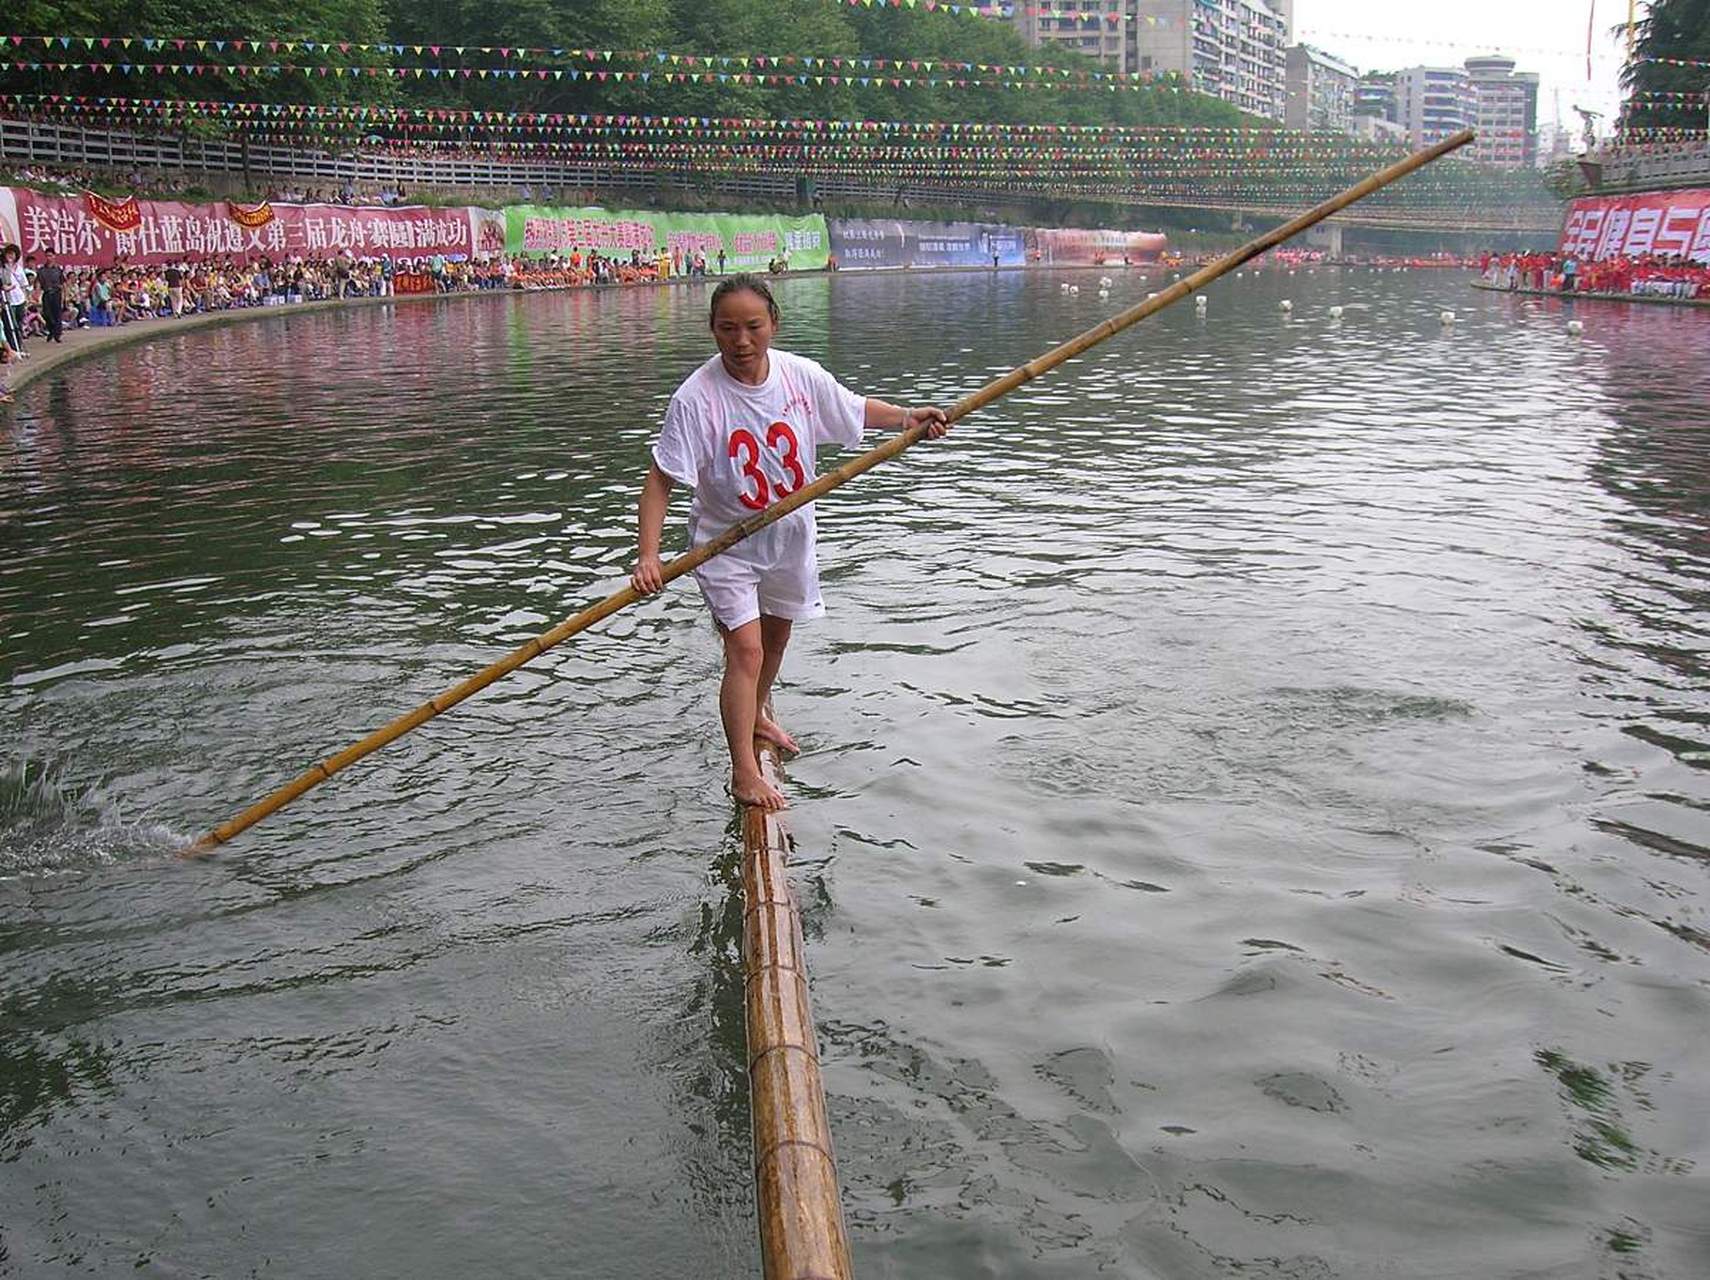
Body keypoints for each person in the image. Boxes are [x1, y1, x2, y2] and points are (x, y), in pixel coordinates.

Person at [630, 274, 950, 810]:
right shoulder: (696, 398)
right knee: (746, 649)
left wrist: (904, 419)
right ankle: (743, 771)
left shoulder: (799, 376)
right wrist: (648, 556)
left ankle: (756, 713)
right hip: (725, 543)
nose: (741, 341)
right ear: (712, 329)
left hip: (790, 534)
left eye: (753, 327)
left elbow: (851, 408)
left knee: (776, 640)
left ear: (773, 325)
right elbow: (659, 481)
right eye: (727, 328)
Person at [36, 250, 65, 343]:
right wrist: (37, 293)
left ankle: (57, 334)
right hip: (46, 293)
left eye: (50, 256)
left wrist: (64, 296)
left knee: (57, 314)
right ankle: (51, 330)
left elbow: (63, 283)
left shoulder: (58, 269)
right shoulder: (42, 270)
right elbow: (38, 283)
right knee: (47, 314)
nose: (49, 258)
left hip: (56, 293)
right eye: (47, 256)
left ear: (54, 256)